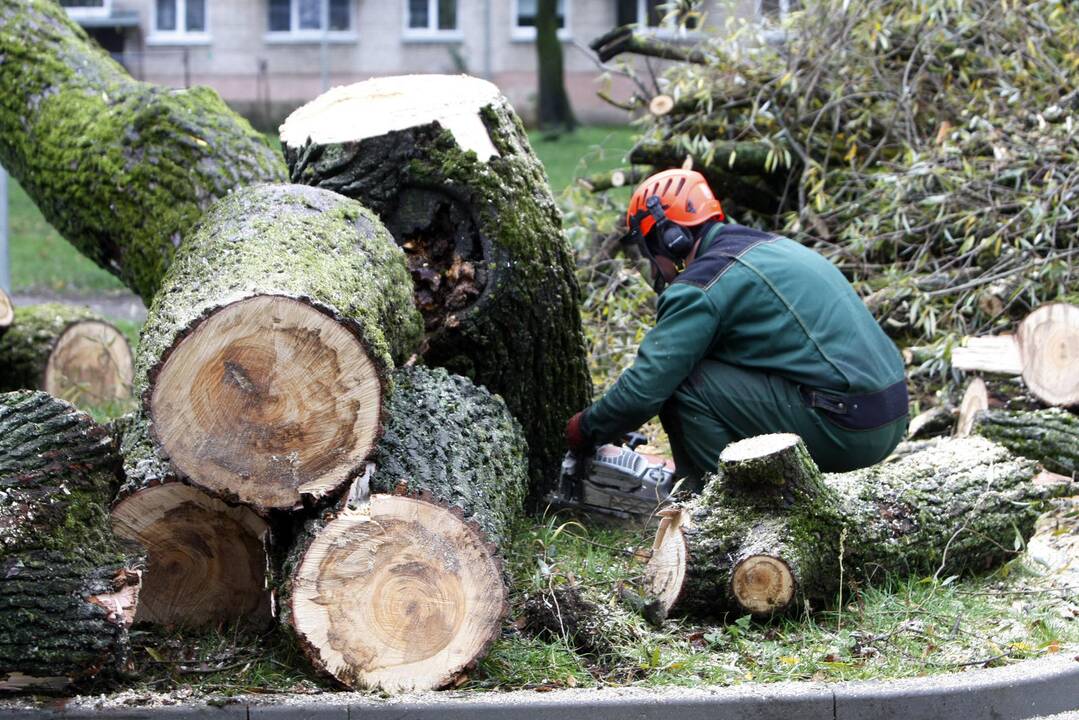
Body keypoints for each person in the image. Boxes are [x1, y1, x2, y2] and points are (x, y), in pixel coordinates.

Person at [564, 169, 908, 491]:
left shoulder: (702, 284)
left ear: (672, 239)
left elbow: (644, 391)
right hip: (889, 416)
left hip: (848, 431)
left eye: (649, 250)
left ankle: (729, 506)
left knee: (682, 384)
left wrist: (584, 428)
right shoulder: (768, 247)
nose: (654, 266)